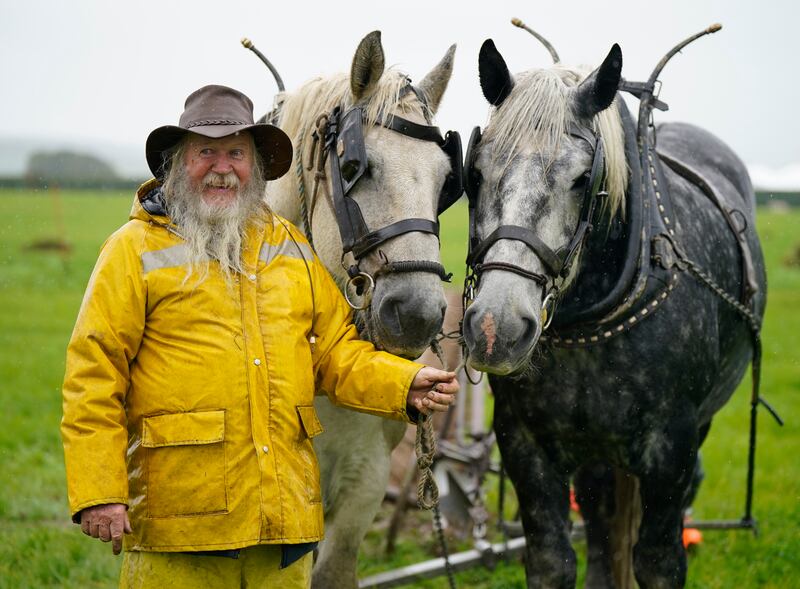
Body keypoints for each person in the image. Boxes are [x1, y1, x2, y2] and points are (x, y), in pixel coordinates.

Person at [61, 84, 458, 588]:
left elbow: (336, 354)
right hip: (181, 528)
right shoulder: (132, 250)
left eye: (237, 153)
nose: (222, 166)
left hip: (281, 529)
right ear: (177, 162)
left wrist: (404, 384)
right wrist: (99, 490)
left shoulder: (289, 248)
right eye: (205, 151)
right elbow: (93, 376)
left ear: (258, 167)